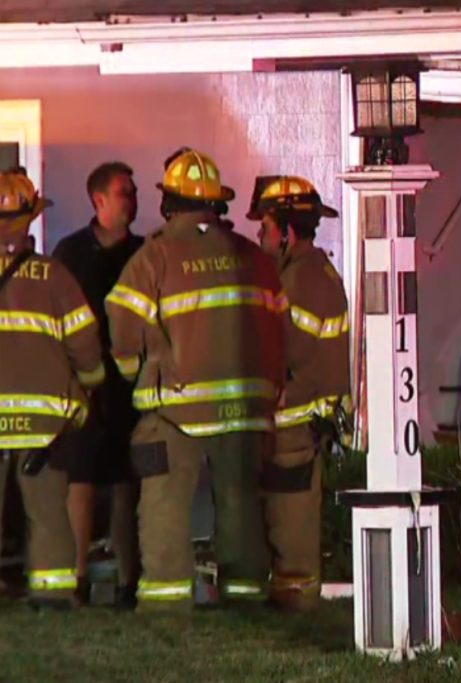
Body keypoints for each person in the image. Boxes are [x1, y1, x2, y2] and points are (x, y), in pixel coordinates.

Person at [105, 149, 286, 610]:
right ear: (216, 205)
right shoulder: (253, 258)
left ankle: (166, 600)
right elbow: (280, 326)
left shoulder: (156, 255)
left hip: (174, 409)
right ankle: (245, 596)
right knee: (241, 502)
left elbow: (122, 320)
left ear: (170, 204)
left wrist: (134, 371)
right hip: (245, 410)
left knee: (164, 504)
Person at [0, 170, 106, 610]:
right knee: (47, 514)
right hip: (44, 425)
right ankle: (53, 594)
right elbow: (86, 347)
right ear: (29, 221)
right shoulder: (54, 276)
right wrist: (90, 386)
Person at [249, 175, 350, 611]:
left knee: (292, 531)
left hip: (294, 426)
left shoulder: (303, 280)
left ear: (287, 232)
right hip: (296, 425)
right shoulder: (304, 271)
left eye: (265, 227)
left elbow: (284, 352)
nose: (259, 235)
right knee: (284, 523)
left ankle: (297, 609)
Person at [52, 161, 143, 606]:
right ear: (98, 200)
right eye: (124, 191)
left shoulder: (146, 254)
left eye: (133, 191)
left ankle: (129, 582)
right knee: (80, 480)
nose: (133, 199)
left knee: (129, 481)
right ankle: (78, 579)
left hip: (132, 388)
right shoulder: (69, 255)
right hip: (84, 388)